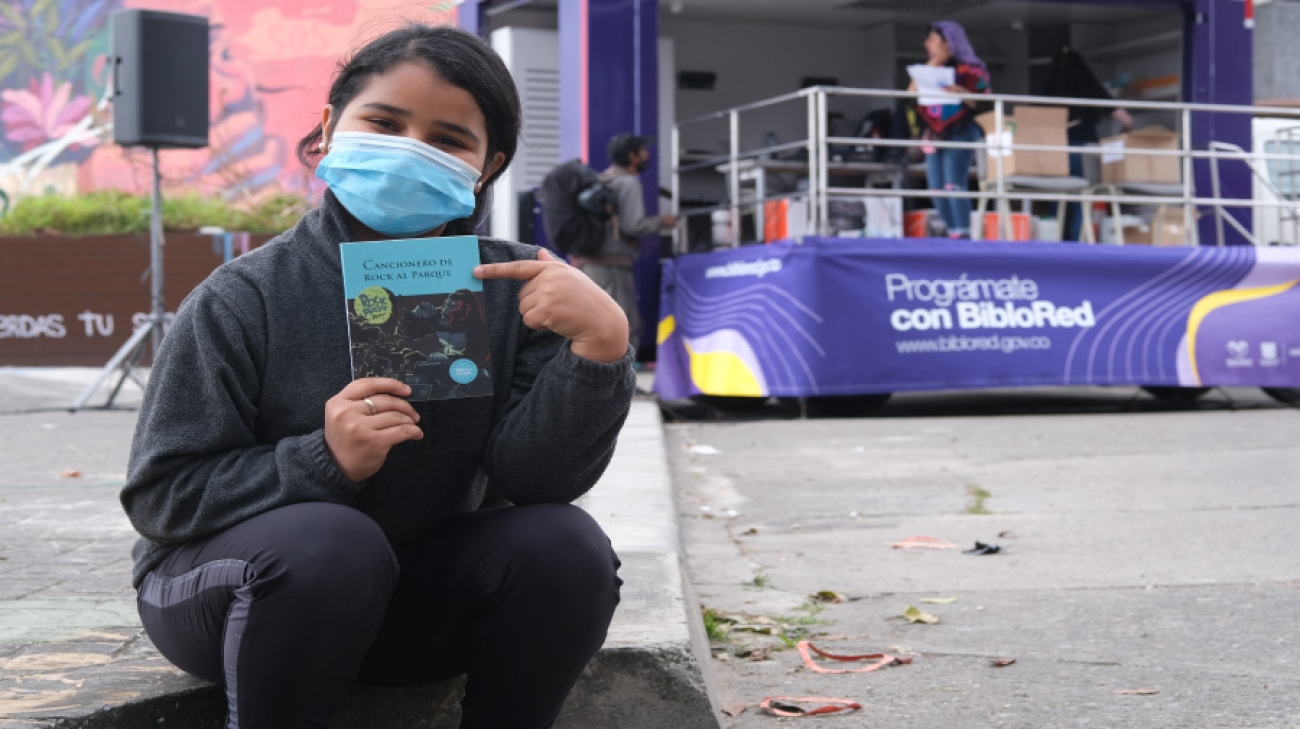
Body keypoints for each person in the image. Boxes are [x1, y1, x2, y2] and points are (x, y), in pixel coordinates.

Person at [120, 24, 635, 729]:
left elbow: (537, 484)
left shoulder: (519, 288)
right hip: (237, 598)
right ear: (330, 126)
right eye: (385, 123)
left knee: (566, 545)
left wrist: (600, 349)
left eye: (449, 140)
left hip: (412, 602)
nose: (410, 151)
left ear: (489, 165)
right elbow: (160, 497)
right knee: (333, 543)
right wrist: (319, 460)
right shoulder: (245, 296)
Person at [570, 133, 677, 352]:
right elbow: (633, 225)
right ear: (632, 156)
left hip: (589, 264)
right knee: (621, 321)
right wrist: (662, 222)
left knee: (595, 321)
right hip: (613, 265)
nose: (648, 155)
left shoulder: (603, 179)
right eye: (643, 151)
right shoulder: (627, 182)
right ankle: (624, 382)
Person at [908, 21, 991, 239]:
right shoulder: (929, 68)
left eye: (933, 40)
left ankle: (962, 234)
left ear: (949, 42)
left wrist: (962, 92)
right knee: (935, 187)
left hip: (961, 130)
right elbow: (910, 94)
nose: (927, 44)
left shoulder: (971, 69)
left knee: (953, 184)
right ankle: (952, 231)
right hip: (934, 132)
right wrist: (934, 63)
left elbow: (985, 102)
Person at [1045, 46, 1135, 241]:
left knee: (1056, 197)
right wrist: (1124, 134)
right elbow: (1127, 120)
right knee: (1083, 199)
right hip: (1085, 150)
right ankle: (1078, 242)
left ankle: (1053, 240)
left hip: (1055, 152)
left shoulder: (1048, 91)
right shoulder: (1091, 87)